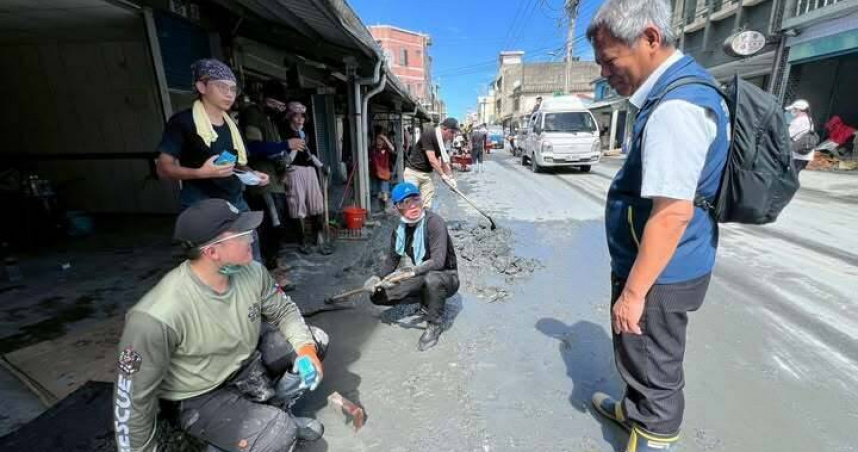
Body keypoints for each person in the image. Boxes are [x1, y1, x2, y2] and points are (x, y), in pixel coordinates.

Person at [587, 0, 730, 451]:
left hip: (661, 273)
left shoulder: (676, 107)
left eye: (610, 61)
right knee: (641, 357)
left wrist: (633, 294)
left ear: (649, 38)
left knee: (654, 369)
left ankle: (650, 435)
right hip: (667, 263)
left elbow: (672, 213)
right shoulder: (679, 91)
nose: (605, 73)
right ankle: (632, 413)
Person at [113, 199, 328, 452]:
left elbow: (284, 311)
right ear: (212, 252)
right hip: (200, 394)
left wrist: (306, 350)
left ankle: (274, 413)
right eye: (243, 234)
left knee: (316, 340)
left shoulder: (251, 272)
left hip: (244, 363)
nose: (252, 239)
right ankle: (220, 439)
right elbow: (132, 401)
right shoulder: (156, 316)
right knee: (278, 436)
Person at [156, 59, 269, 211]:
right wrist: (200, 173)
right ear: (201, 87)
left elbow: (236, 165)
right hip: (200, 204)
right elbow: (163, 169)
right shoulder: (183, 122)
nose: (229, 94)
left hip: (236, 202)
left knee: (251, 234)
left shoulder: (233, 127)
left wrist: (252, 174)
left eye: (233, 89)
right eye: (222, 87)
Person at [363, 182, 459, 351]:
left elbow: (438, 262)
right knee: (377, 296)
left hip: (446, 277)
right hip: (421, 277)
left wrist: (411, 272)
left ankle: (434, 324)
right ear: (397, 207)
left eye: (415, 199)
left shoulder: (434, 223)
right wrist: (377, 278)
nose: (413, 206)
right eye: (405, 203)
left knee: (432, 279)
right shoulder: (400, 230)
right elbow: (392, 259)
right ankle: (425, 300)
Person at [241, 81, 302, 289]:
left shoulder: (270, 119)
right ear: (264, 98)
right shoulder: (253, 115)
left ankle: (274, 264)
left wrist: (283, 168)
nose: (278, 109)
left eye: (280, 106)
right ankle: (271, 274)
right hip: (261, 184)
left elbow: (274, 150)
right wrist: (287, 144)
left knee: (278, 226)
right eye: (276, 104)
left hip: (275, 181)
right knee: (271, 228)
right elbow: (255, 148)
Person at [281, 101, 332, 255]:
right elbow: (284, 158)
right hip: (293, 171)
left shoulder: (306, 132)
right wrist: (294, 148)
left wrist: (321, 166)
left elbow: (311, 153)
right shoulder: (284, 133)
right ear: (290, 117)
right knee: (297, 206)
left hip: (310, 170)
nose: (299, 119)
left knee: (316, 204)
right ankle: (303, 241)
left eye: (302, 116)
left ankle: (319, 238)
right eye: (296, 116)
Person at [403, 118, 459, 209]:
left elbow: (444, 161)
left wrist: (451, 178)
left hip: (427, 174)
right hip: (413, 172)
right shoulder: (429, 134)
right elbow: (432, 159)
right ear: (444, 128)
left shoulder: (443, 141)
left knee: (426, 204)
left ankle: (424, 222)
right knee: (410, 202)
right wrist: (443, 175)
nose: (453, 136)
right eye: (452, 132)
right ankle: (409, 222)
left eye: (454, 133)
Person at [785, 99, 816, 174]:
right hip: (807, 154)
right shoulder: (810, 120)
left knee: (791, 176)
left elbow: (787, 135)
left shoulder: (798, 121)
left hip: (797, 154)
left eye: (793, 109)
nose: (792, 111)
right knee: (794, 175)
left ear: (799, 110)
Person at [370, 133, 394, 210]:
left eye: (381, 139)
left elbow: (392, 149)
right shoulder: (373, 149)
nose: (379, 141)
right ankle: (381, 209)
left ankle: (386, 209)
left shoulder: (386, 149)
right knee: (377, 193)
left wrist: (385, 138)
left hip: (384, 174)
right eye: (378, 139)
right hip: (375, 173)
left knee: (384, 193)